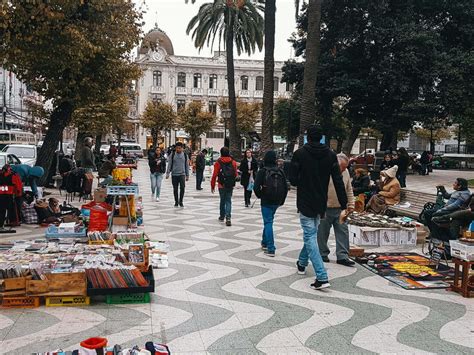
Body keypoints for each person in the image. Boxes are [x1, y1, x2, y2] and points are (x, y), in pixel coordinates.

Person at [289, 125, 348, 290]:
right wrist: (344, 204)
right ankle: (302, 263)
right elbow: (338, 180)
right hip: (321, 202)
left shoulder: (299, 154)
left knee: (309, 236)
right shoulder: (330, 155)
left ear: (308, 137)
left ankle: (321, 276)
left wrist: (303, 178)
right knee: (311, 235)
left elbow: (293, 179)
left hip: (305, 201)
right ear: (321, 137)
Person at [317, 153, 355, 266]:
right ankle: (322, 254)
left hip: (341, 208)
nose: (343, 170)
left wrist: (351, 204)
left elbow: (349, 189)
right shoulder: (325, 171)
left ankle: (342, 256)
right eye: (341, 168)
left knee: (343, 231)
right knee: (322, 232)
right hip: (325, 207)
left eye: (345, 168)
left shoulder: (346, 172)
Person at [253, 150, 288, 256]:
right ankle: (264, 242)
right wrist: (282, 200)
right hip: (277, 201)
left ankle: (271, 247)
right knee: (269, 220)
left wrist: (260, 195)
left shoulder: (263, 171)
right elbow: (285, 187)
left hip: (266, 200)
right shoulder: (280, 171)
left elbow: (255, 187)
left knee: (268, 222)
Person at [211, 147, 238, 227]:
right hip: (230, 184)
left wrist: (212, 186)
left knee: (222, 200)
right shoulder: (233, 162)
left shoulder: (218, 162)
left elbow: (214, 175)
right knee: (228, 200)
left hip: (221, 184)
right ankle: (228, 217)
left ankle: (222, 216)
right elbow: (236, 174)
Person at [166, 142, 189, 207]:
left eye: (180, 148)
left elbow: (186, 165)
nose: (178, 149)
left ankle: (181, 201)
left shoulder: (185, 155)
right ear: (175, 148)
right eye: (177, 148)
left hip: (182, 174)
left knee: (182, 188)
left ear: (182, 148)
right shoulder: (172, 154)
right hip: (174, 175)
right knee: (175, 189)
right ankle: (176, 201)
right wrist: (168, 173)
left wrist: (187, 175)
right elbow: (169, 164)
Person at [0, 164, 23, 229]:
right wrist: (18, 194)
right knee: (12, 209)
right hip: (10, 195)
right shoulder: (14, 175)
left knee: (1, 210)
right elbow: (18, 186)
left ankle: (1, 224)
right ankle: (13, 221)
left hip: (2, 195)